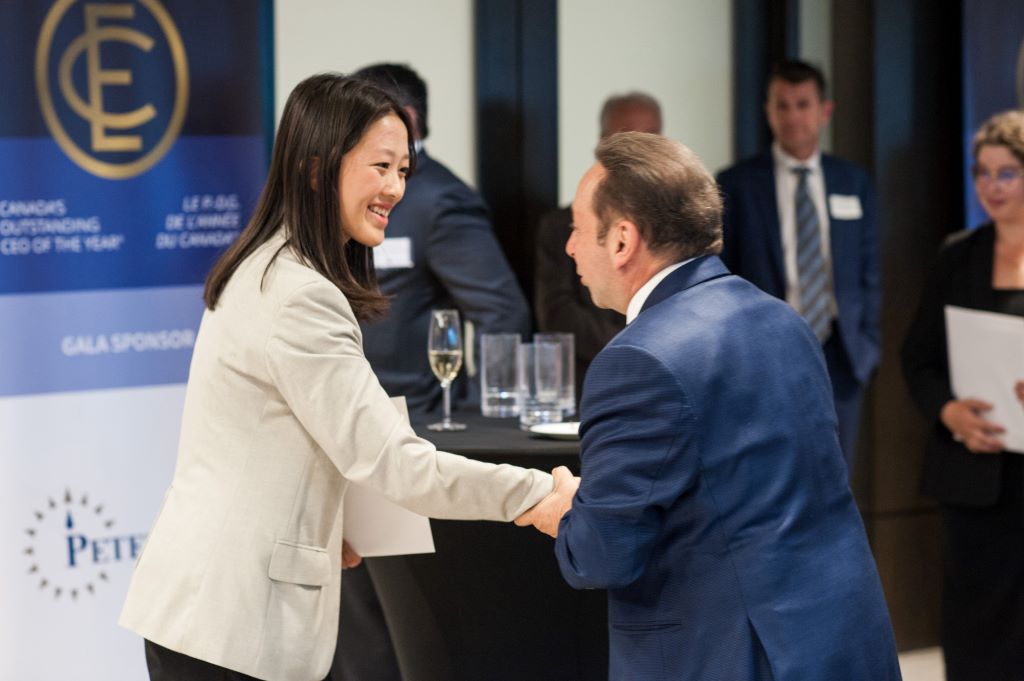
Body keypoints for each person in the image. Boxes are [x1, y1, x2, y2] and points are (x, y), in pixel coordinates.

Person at [118, 73, 566, 681]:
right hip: (231, 622)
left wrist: (329, 523)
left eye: (403, 170)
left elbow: (274, 439)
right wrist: (536, 495)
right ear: (314, 168)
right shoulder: (301, 295)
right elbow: (398, 466)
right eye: (381, 166)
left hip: (207, 610)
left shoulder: (272, 268)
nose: (395, 188)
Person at [517, 132, 901, 680]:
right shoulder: (784, 320)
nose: (570, 247)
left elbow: (601, 555)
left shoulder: (636, 360)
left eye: (578, 229)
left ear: (622, 240)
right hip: (841, 632)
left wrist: (564, 512)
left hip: (729, 653)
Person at [327, 62, 531, 681]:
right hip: (337, 423)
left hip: (406, 432)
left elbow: (502, 312)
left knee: (386, 632)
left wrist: (460, 412)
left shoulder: (441, 197)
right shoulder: (337, 196)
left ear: (410, 124)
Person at [901, 109, 1024, 680]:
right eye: (983, 173)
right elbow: (917, 359)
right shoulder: (957, 256)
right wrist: (949, 410)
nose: (990, 187)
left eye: (1006, 174)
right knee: (973, 629)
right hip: (971, 476)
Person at [716, 59, 881, 469]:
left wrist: (868, 343)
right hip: (766, 355)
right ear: (768, 110)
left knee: (837, 479)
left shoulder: (852, 181)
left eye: (803, 104)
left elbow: (869, 271)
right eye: (782, 105)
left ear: (825, 111)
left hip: (842, 355)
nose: (793, 116)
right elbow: (723, 274)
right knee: (773, 475)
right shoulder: (737, 183)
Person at [354, 62, 530, 414]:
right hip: (352, 408)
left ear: (402, 117)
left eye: (359, 117)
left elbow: (502, 311)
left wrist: (471, 411)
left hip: (415, 416)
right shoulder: (352, 187)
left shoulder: (441, 198)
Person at [533, 92, 661, 394]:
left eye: (651, 137)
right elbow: (558, 313)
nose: (640, 150)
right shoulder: (558, 227)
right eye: (628, 138)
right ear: (603, 144)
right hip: (589, 383)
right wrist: (634, 351)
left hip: (660, 376)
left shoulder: (672, 222)